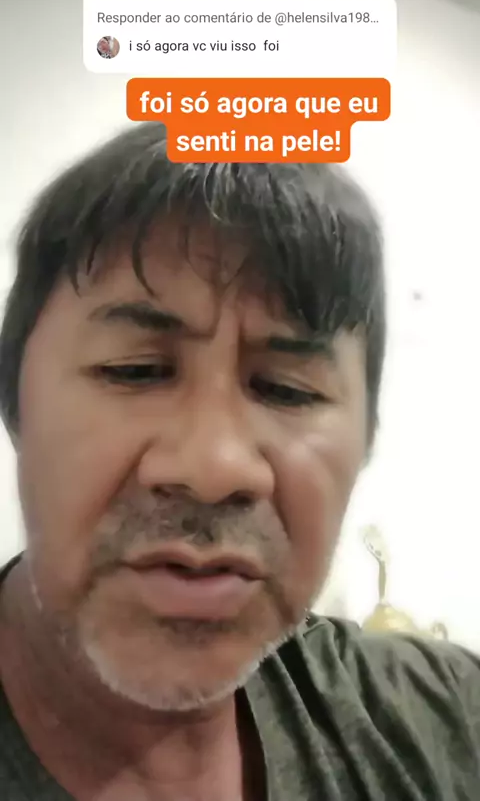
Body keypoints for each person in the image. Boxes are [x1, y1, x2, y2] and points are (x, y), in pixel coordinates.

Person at [0, 123, 478, 801]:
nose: (214, 468)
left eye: (287, 390)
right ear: (14, 402)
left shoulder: (445, 717)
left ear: (366, 437)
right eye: (135, 371)